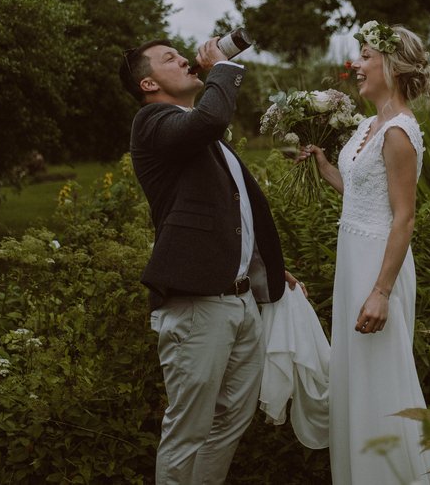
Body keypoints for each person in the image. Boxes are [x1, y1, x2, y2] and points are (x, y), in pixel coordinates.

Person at [119, 37, 301, 485]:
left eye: (181, 54)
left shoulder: (200, 135)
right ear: (147, 82)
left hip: (239, 301)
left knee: (229, 424)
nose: (183, 58)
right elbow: (213, 118)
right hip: (196, 304)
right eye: (168, 58)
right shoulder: (153, 122)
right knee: (189, 430)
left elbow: (227, 211)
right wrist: (222, 67)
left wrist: (265, 265)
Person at [298, 22, 430, 485]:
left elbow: (403, 217)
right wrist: (325, 167)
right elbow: (364, 195)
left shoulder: (399, 132)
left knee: (380, 376)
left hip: (379, 267)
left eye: (365, 56)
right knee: (356, 375)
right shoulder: (367, 125)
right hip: (354, 259)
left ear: (393, 65)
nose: (355, 65)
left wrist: (381, 291)